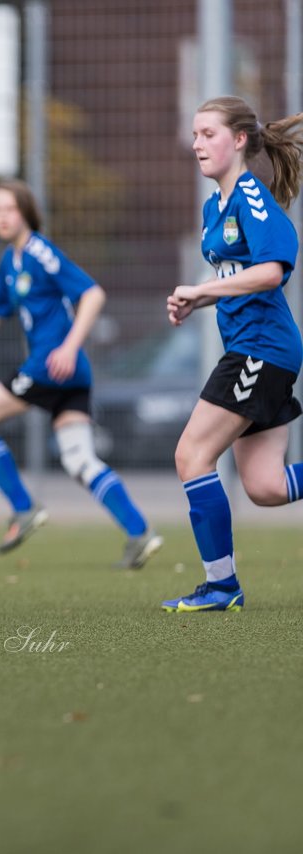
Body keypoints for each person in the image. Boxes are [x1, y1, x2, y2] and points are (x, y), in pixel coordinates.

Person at [0, 180, 162, 568]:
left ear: (26, 212)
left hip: (50, 367)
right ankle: (139, 533)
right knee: (80, 461)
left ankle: (23, 508)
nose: (1, 217)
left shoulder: (39, 252)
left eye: (8, 209)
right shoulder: (11, 260)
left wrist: (69, 347)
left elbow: (93, 294)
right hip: (69, 374)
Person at [161, 96, 303, 612]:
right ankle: (222, 586)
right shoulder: (212, 207)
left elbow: (272, 270)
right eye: (195, 134)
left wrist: (200, 292)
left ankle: (222, 586)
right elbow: (235, 279)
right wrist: (195, 302)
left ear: (239, 140)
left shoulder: (252, 196)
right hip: (256, 348)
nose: (197, 143)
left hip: (259, 350)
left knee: (191, 455)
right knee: (265, 487)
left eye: (208, 134)